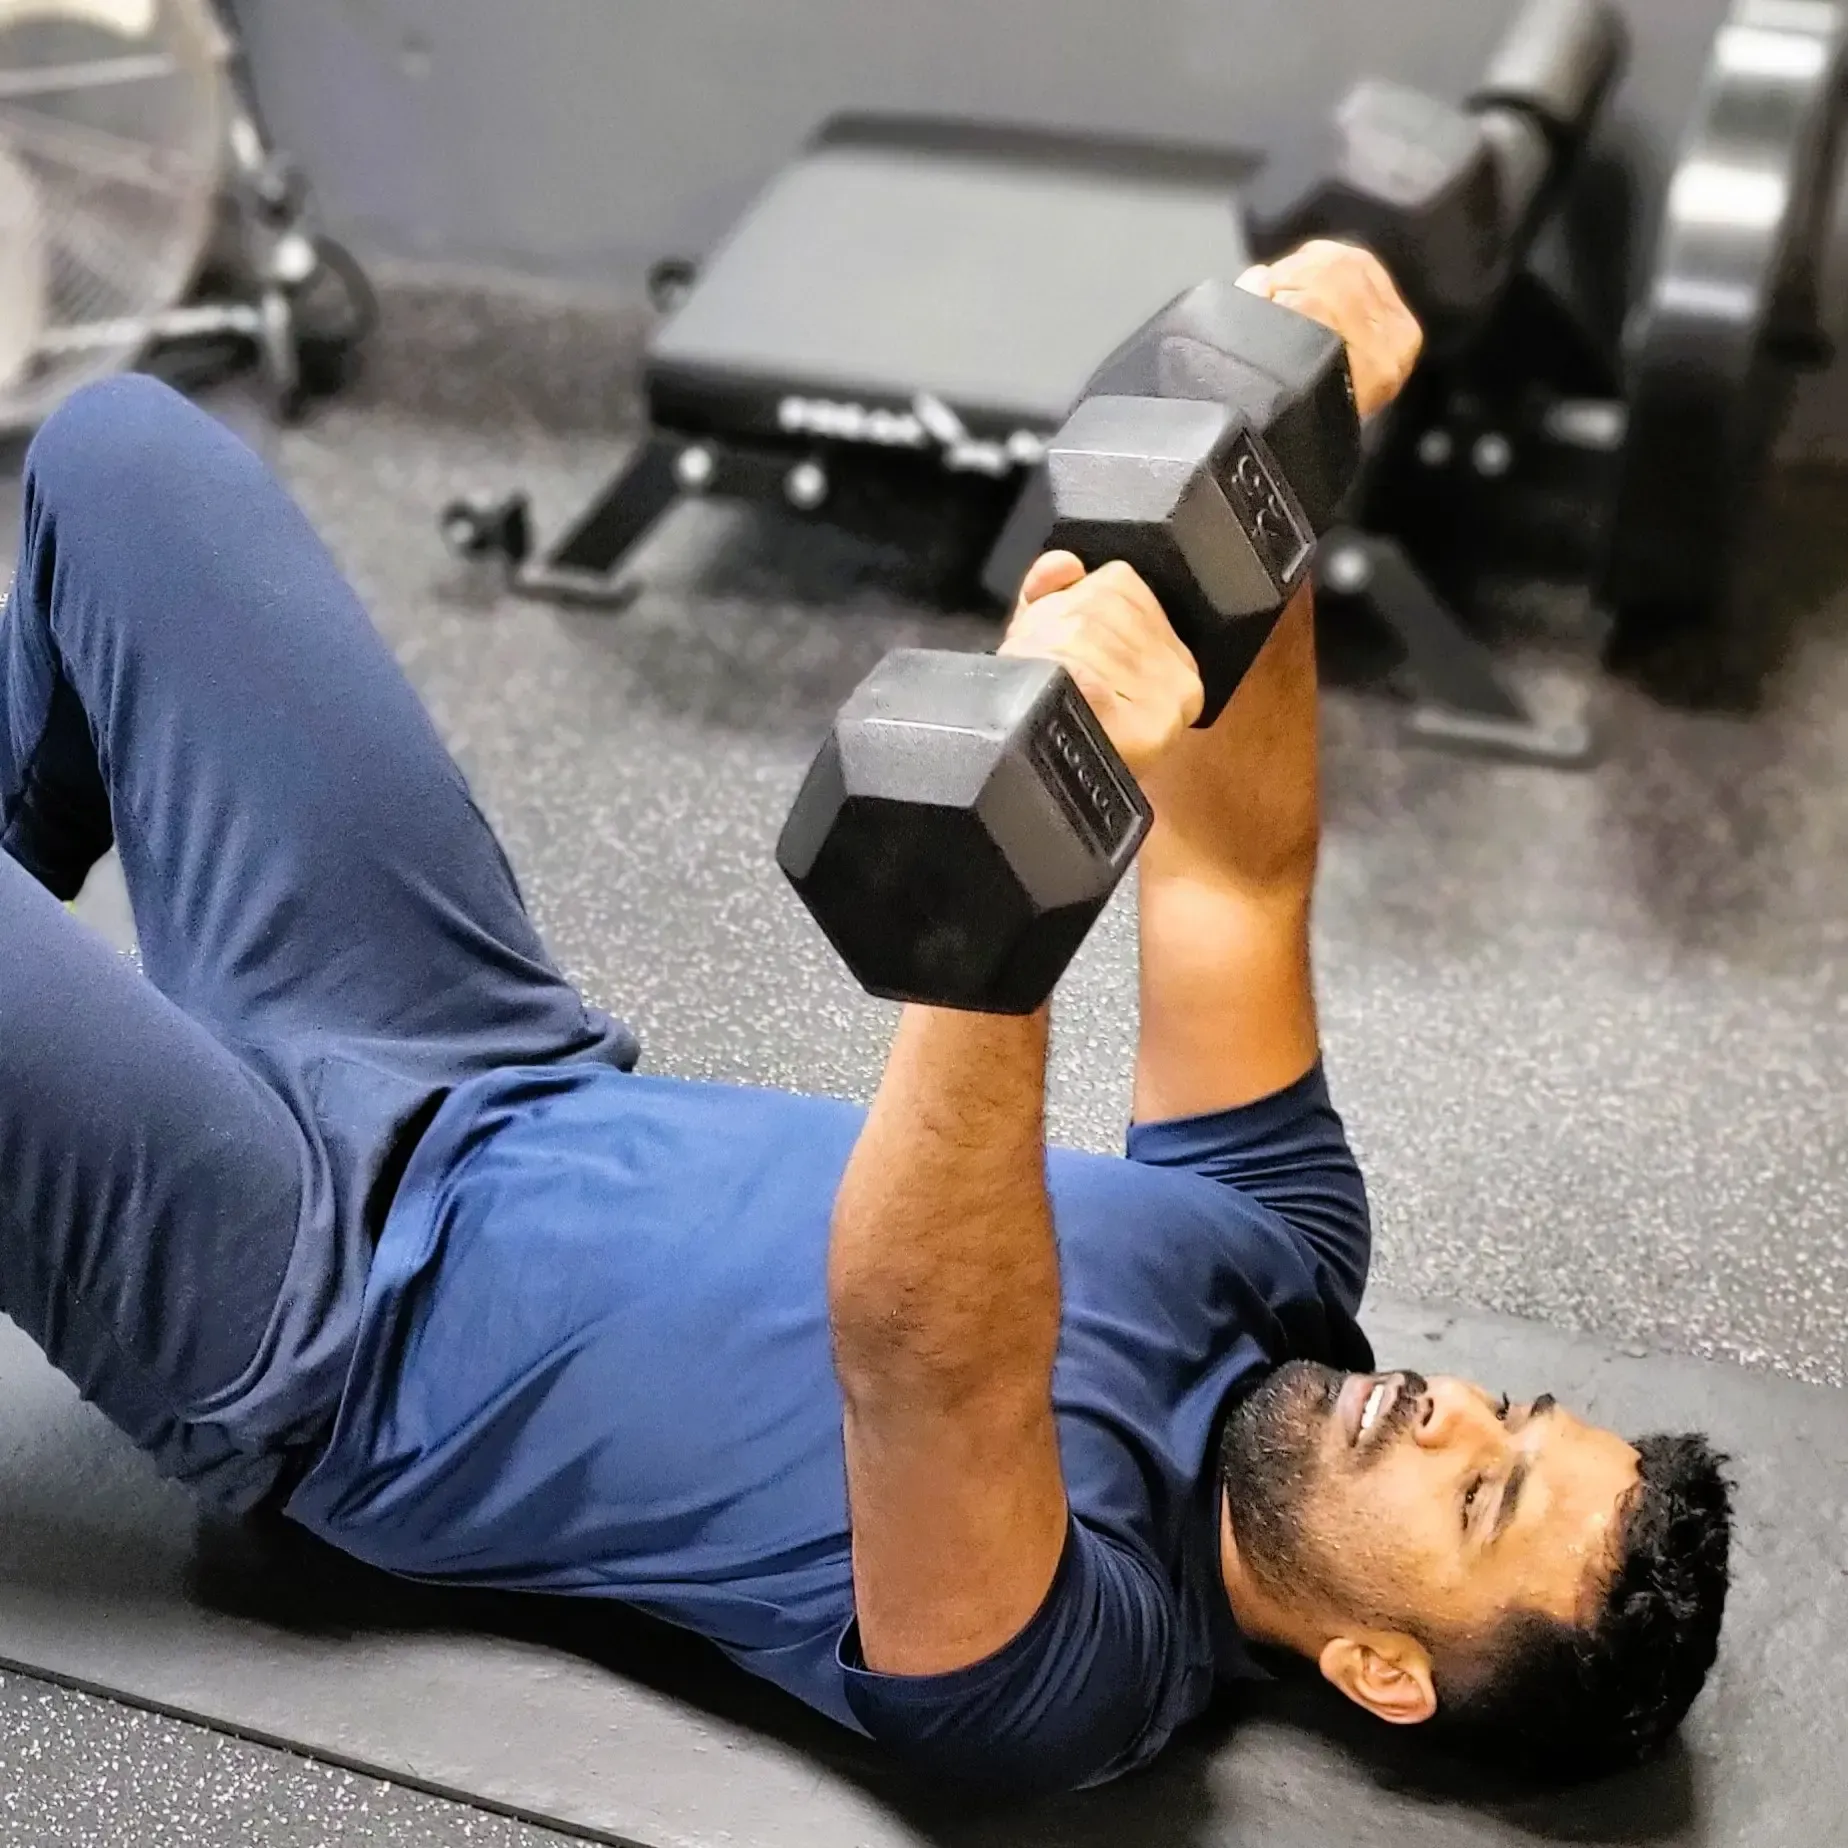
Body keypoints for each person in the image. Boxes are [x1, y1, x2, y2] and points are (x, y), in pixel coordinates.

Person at [0, 241, 1729, 1801]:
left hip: (307, 1322)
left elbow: (917, 1355)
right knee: (125, 460)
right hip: (477, 1051)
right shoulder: (1285, 1251)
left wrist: (1031, 843)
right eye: (1513, 1414)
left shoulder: (1080, 1674)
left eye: (1481, 1498)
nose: (1448, 1415)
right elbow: (1233, 882)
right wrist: (1285, 448)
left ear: (1381, 1672)